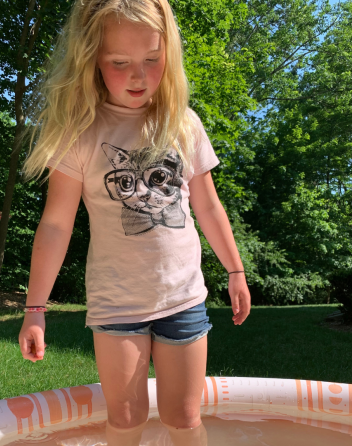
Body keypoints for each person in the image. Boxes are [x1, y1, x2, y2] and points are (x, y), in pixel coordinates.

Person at [16, 1, 251, 445]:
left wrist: (235, 271)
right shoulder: (79, 132)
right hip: (116, 305)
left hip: (182, 298)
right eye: (120, 63)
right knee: (124, 421)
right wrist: (35, 309)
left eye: (152, 59)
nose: (139, 76)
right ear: (92, 61)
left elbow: (209, 207)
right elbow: (55, 225)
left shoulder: (183, 124)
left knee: (184, 419)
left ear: (170, 55)